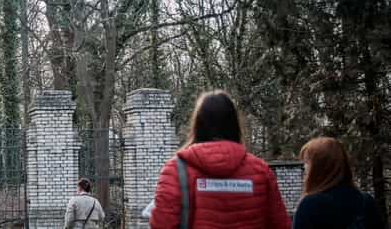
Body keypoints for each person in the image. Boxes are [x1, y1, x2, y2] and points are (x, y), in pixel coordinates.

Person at [150, 90, 291, 229]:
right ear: (234, 124)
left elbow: (162, 224)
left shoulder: (176, 171)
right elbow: (280, 224)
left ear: (198, 124)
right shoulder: (260, 171)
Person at [292, 137, 383, 229]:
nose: (304, 167)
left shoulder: (310, 204)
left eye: (307, 162)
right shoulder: (366, 201)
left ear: (319, 167)